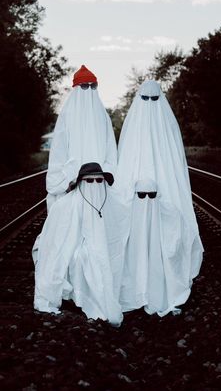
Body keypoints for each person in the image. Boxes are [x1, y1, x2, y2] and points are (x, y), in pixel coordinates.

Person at [116, 80, 203, 314]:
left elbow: (176, 166)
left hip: (161, 193)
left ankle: (161, 279)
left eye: (154, 99)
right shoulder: (136, 128)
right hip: (139, 194)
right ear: (139, 101)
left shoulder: (167, 129)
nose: (150, 105)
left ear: (160, 100)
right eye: (146, 99)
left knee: (167, 226)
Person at [34, 162, 124, 326]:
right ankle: (78, 297)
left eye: (99, 181)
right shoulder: (64, 206)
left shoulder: (114, 203)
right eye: (89, 181)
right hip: (75, 253)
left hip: (108, 251)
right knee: (81, 258)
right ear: (81, 183)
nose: (95, 185)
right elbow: (56, 241)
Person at [46, 65, 117, 211]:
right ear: (77, 87)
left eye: (93, 86)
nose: (89, 90)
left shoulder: (103, 117)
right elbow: (58, 151)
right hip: (71, 186)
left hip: (99, 186)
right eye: (85, 86)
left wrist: (107, 174)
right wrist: (66, 179)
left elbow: (111, 149)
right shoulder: (67, 115)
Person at [120, 179, 191, 316]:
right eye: (141, 195)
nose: (146, 200)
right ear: (135, 195)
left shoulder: (166, 211)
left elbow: (178, 229)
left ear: (157, 195)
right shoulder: (128, 213)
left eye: (151, 195)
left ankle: (154, 294)